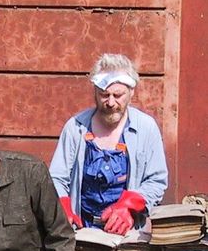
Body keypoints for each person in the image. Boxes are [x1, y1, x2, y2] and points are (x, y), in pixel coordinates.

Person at [50, 53, 168, 235]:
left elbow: (157, 180)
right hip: (81, 231)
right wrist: (62, 204)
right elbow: (57, 177)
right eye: (104, 95)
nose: (111, 102)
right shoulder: (75, 128)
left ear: (131, 93)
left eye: (118, 95)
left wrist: (130, 207)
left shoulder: (146, 128)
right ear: (95, 93)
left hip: (129, 233)